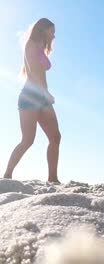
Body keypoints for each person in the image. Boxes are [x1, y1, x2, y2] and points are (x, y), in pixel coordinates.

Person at [4, 18, 61, 183]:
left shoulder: (42, 48)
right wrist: (44, 92)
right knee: (28, 140)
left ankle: (53, 178)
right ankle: (7, 174)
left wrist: (46, 94)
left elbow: (42, 75)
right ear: (43, 29)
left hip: (42, 98)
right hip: (30, 96)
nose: (54, 35)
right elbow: (32, 73)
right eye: (52, 31)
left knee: (55, 137)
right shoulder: (31, 45)